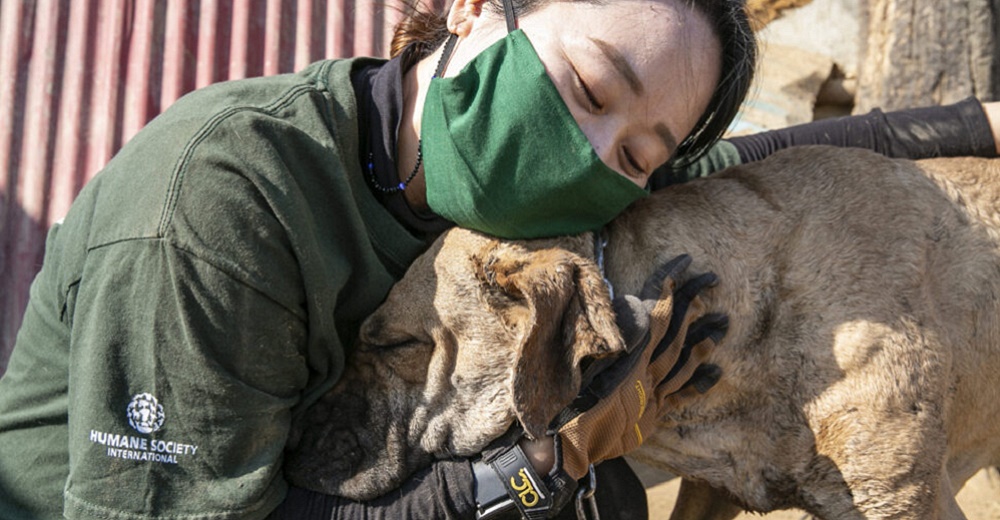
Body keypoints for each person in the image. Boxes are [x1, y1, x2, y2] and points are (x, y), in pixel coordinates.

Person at [0, 0, 996, 518]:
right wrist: (545, 462)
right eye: (587, 88)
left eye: (638, 156)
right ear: (478, 9)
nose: (593, 156)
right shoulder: (224, 202)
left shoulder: (516, 207)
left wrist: (968, 125)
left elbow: (767, 157)